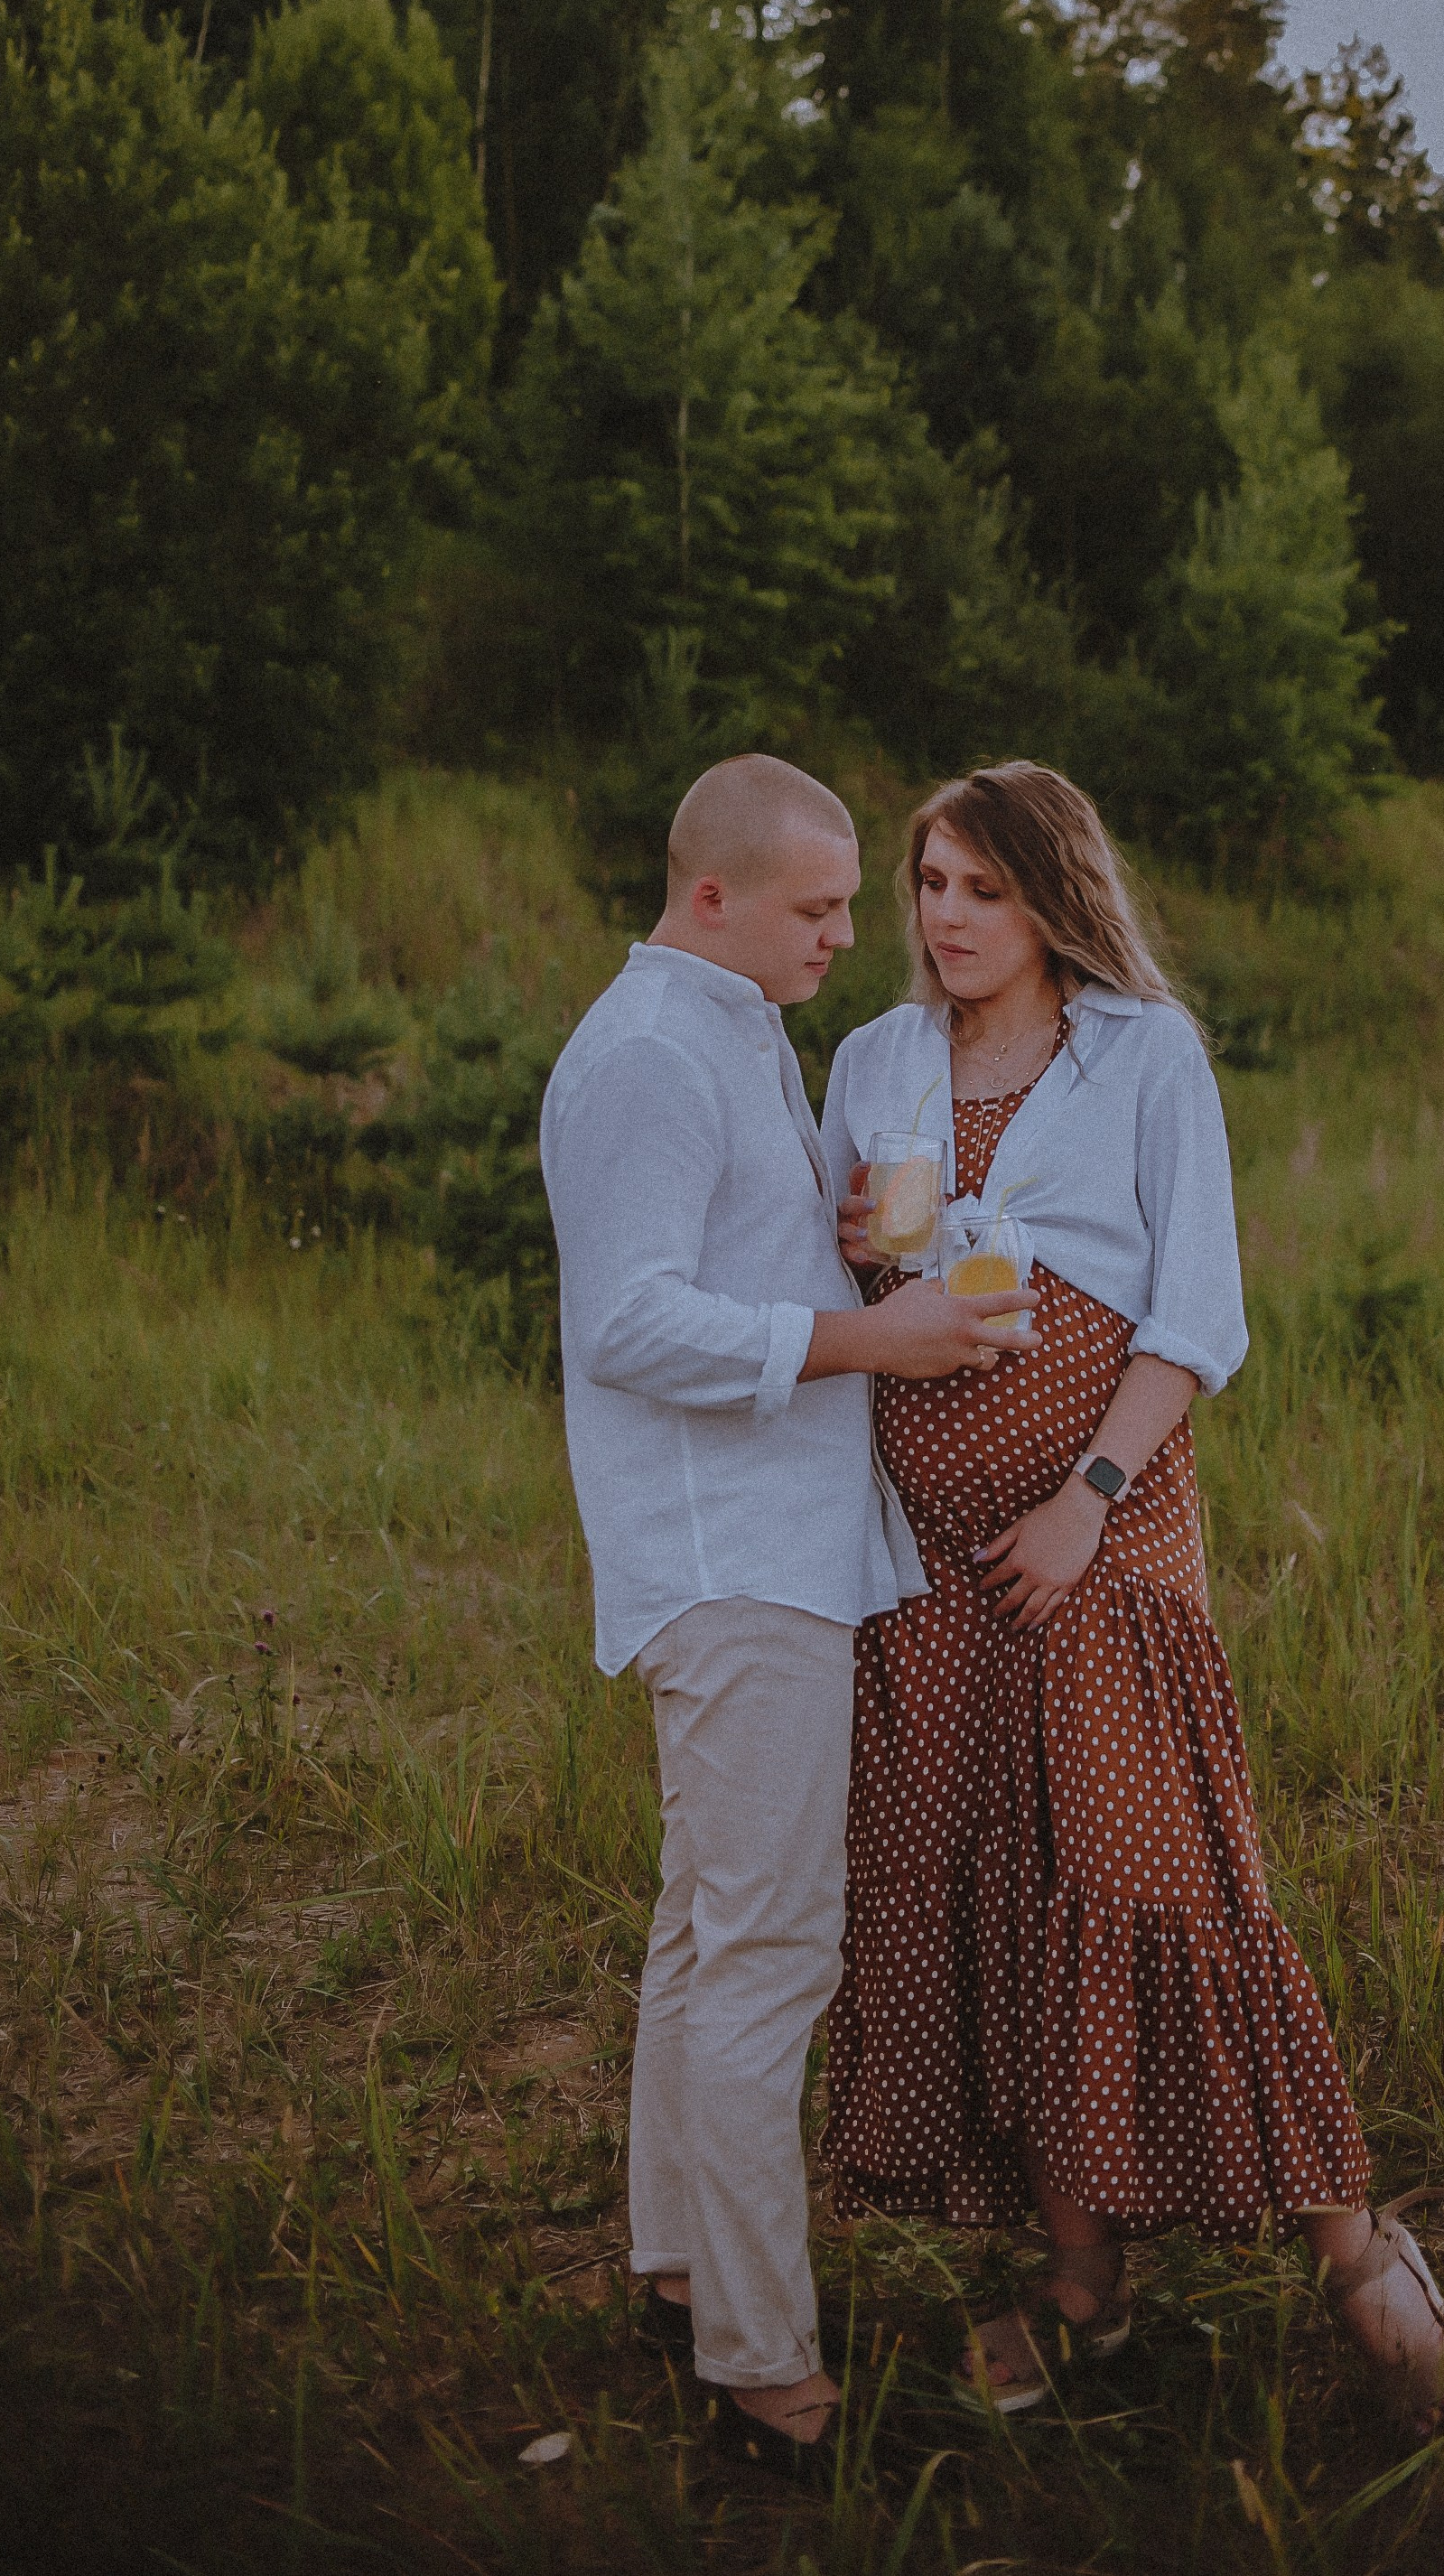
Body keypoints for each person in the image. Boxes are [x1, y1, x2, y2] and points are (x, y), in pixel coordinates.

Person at [819, 761, 1444, 2441]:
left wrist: (1082, 1500)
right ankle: (1081, 2277)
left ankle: (1349, 2241)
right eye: (928, 885)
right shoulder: (875, 1061)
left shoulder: (1141, 1054)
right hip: (929, 1566)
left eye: (979, 887)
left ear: (1052, 896)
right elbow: (847, 1298)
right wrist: (845, 1247)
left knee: (1157, 1873)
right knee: (994, 1886)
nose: (946, 918)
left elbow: (1195, 1313)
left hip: (1094, 1537)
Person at [538, 754, 1039, 2480]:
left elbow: (724, 1266)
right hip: (732, 1557)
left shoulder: (733, 1022)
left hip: (780, 1544)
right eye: (819, 905)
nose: (857, 932)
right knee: (771, 1954)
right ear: (711, 895)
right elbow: (629, 1321)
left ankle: (679, 2269)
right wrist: (862, 1338)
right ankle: (766, 2368)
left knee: (706, 1930)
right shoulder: (652, 1053)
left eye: (852, 901)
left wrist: (835, 1258)